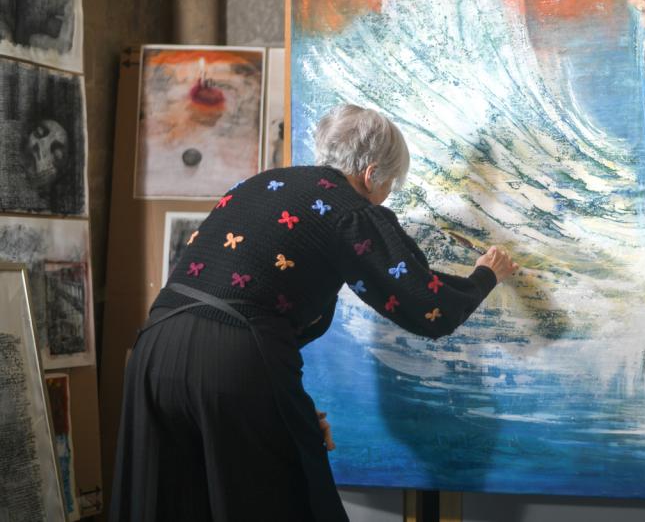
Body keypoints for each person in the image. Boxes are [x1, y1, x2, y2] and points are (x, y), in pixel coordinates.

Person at [110, 104, 518, 522]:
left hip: (154, 349)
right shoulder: (350, 209)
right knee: (289, 502)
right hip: (233, 358)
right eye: (391, 183)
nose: (388, 193)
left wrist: (288, 408)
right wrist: (486, 275)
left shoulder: (261, 182)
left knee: (177, 502)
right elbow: (429, 309)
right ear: (371, 173)